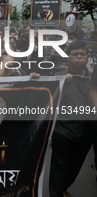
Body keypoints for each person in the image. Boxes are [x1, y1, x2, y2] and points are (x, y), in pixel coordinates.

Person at [49, 41, 93, 197]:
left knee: (75, 166)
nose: (79, 57)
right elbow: (52, 103)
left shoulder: (92, 78)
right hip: (63, 131)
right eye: (75, 54)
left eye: (83, 54)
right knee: (59, 167)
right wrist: (65, 85)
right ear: (68, 58)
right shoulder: (59, 76)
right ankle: (56, 193)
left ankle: (62, 188)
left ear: (87, 57)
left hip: (86, 132)